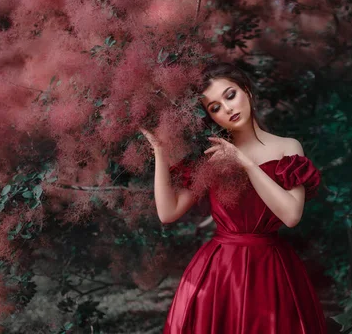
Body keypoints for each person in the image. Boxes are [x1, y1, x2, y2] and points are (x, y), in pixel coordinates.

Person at [140, 63, 327, 333]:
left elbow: (291, 215)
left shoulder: (288, 147)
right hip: (221, 271)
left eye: (230, 95)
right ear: (211, 117)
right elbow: (168, 213)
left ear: (247, 91)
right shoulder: (211, 158)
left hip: (272, 268)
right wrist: (159, 151)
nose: (227, 109)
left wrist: (246, 163)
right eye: (215, 108)